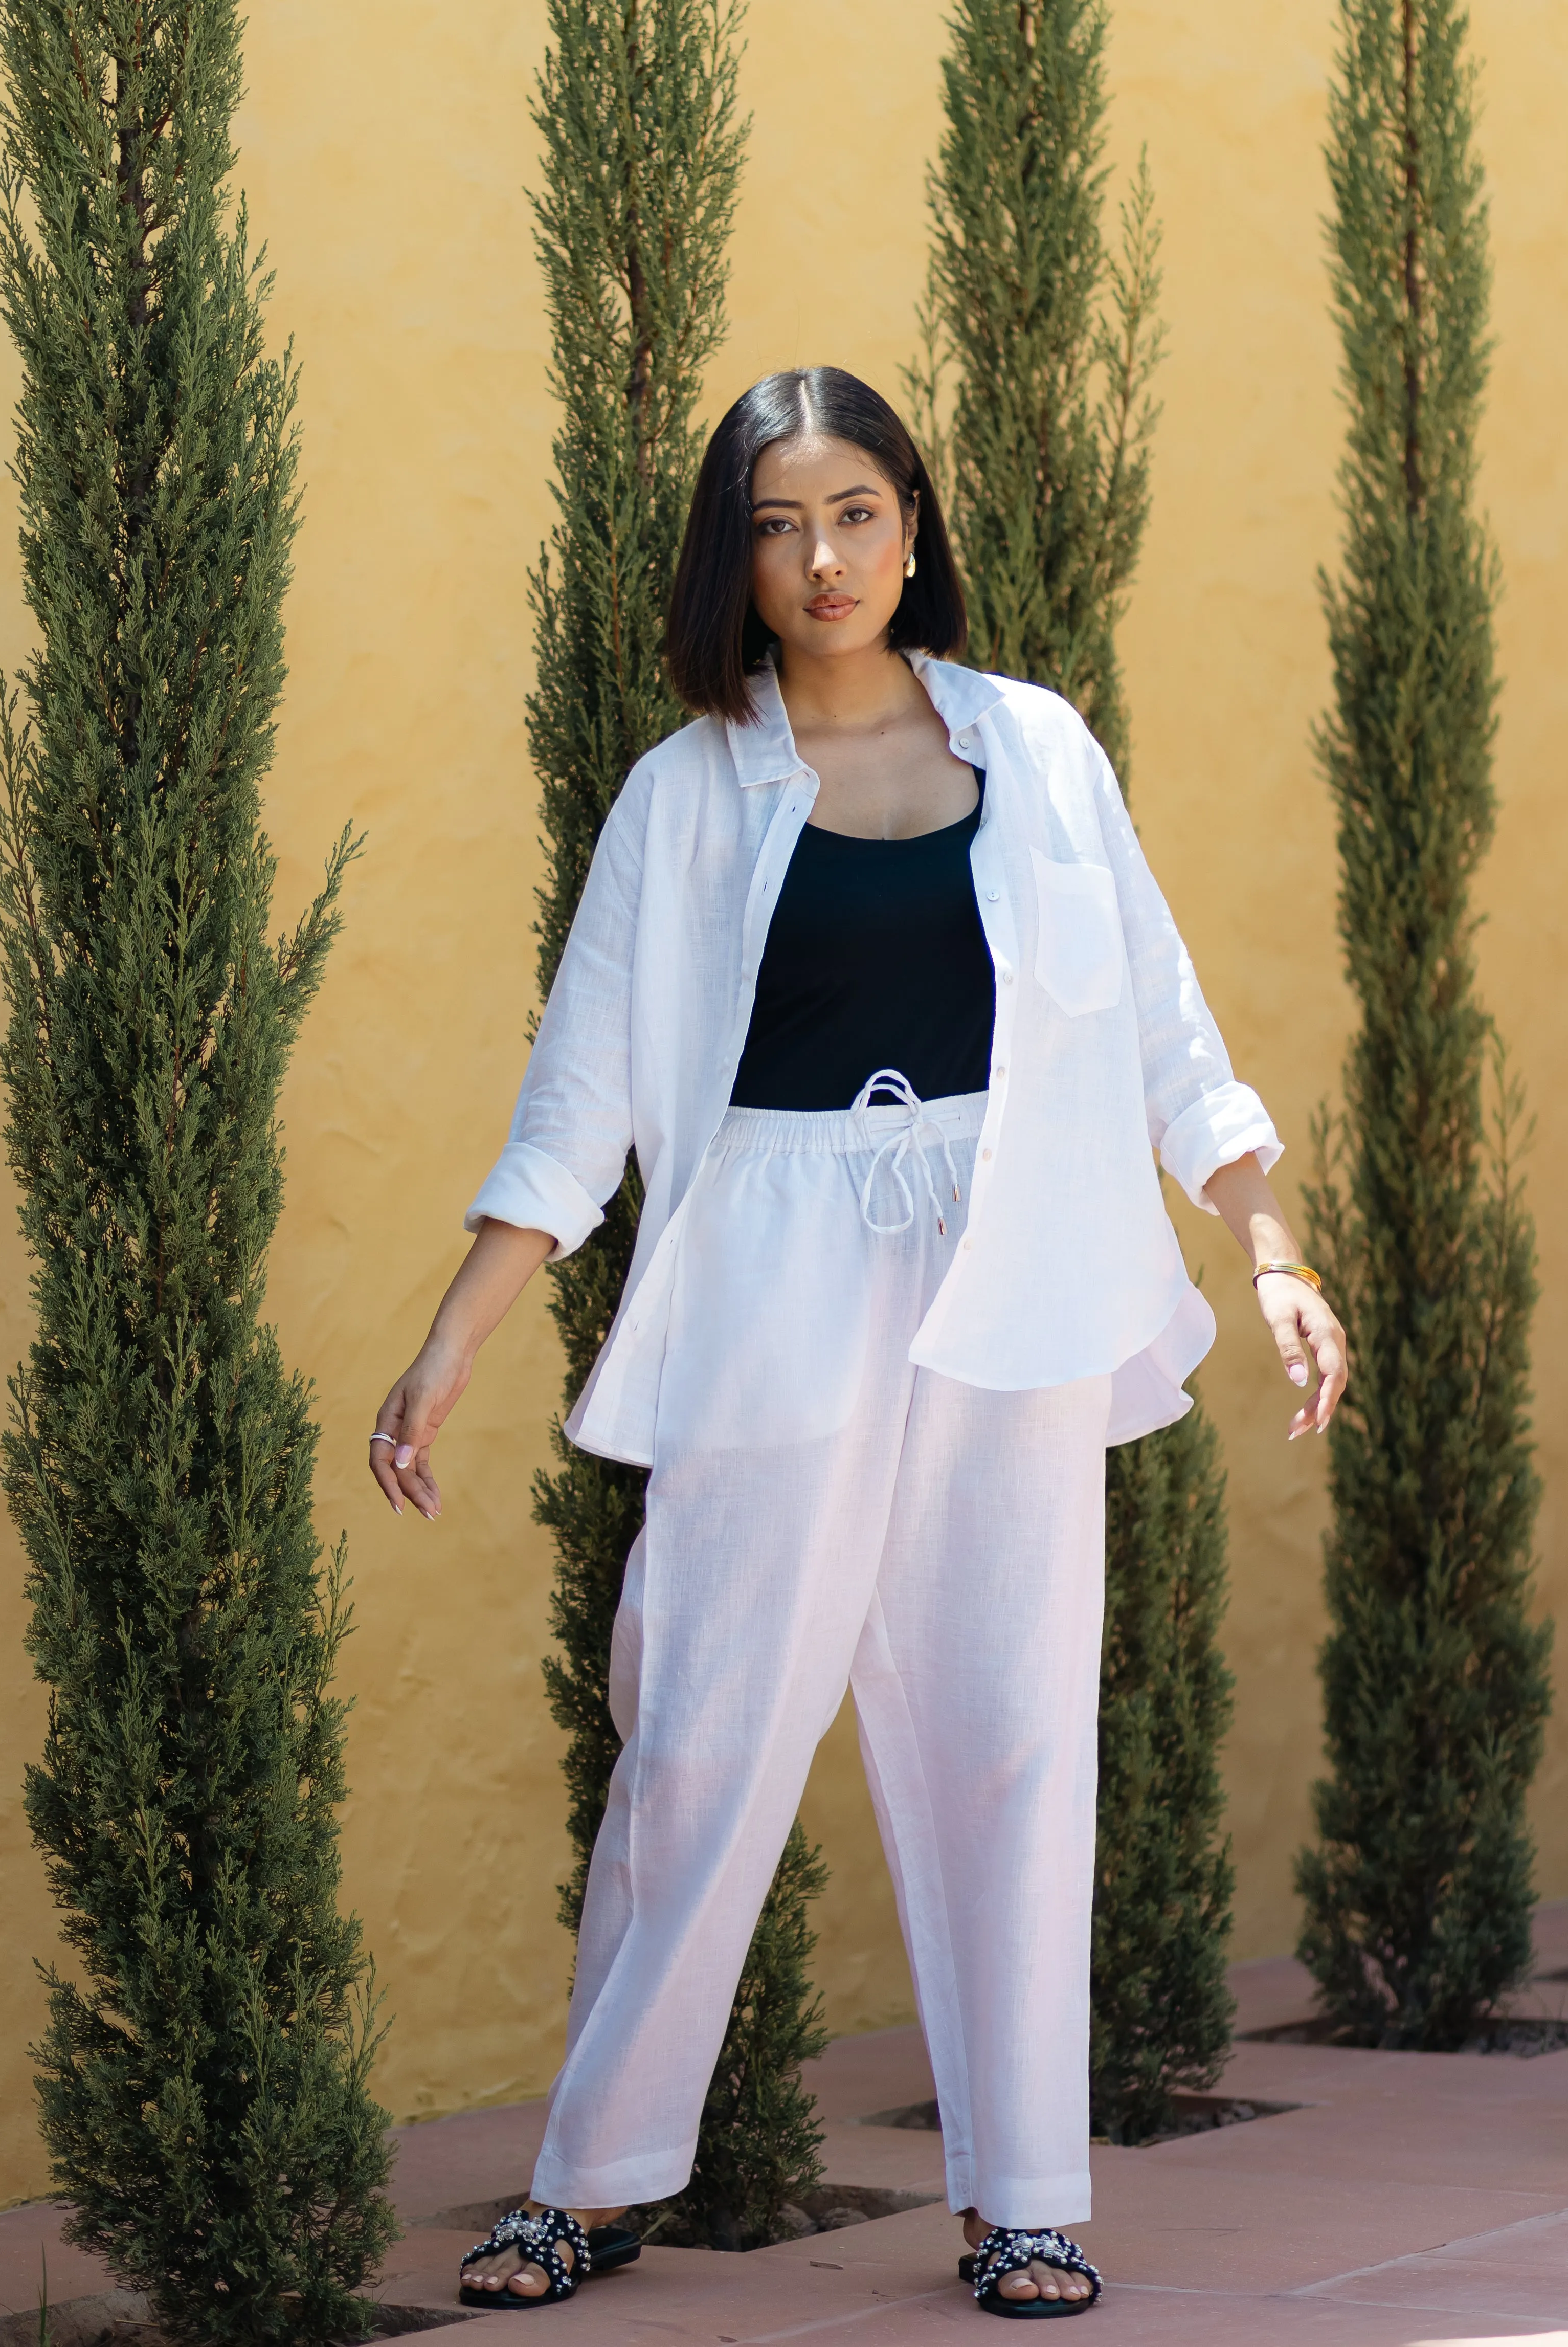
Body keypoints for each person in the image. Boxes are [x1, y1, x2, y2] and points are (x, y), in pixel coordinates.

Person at [371, 366, 1347, 2320]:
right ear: (732, 556)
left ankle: (1023, 2197)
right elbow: (581, 1103)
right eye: (773, 523)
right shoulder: (684, 789)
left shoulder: (1043, 749)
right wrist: (453, 1334)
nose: (819, 559)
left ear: (915, 523)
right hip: (775, 1279)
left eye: (854, 513)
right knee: (703, 1734)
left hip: (1010, 1282)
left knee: (1006, 1737)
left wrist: (1268, 1252)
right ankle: (596, 2174)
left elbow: (1166, 1028)